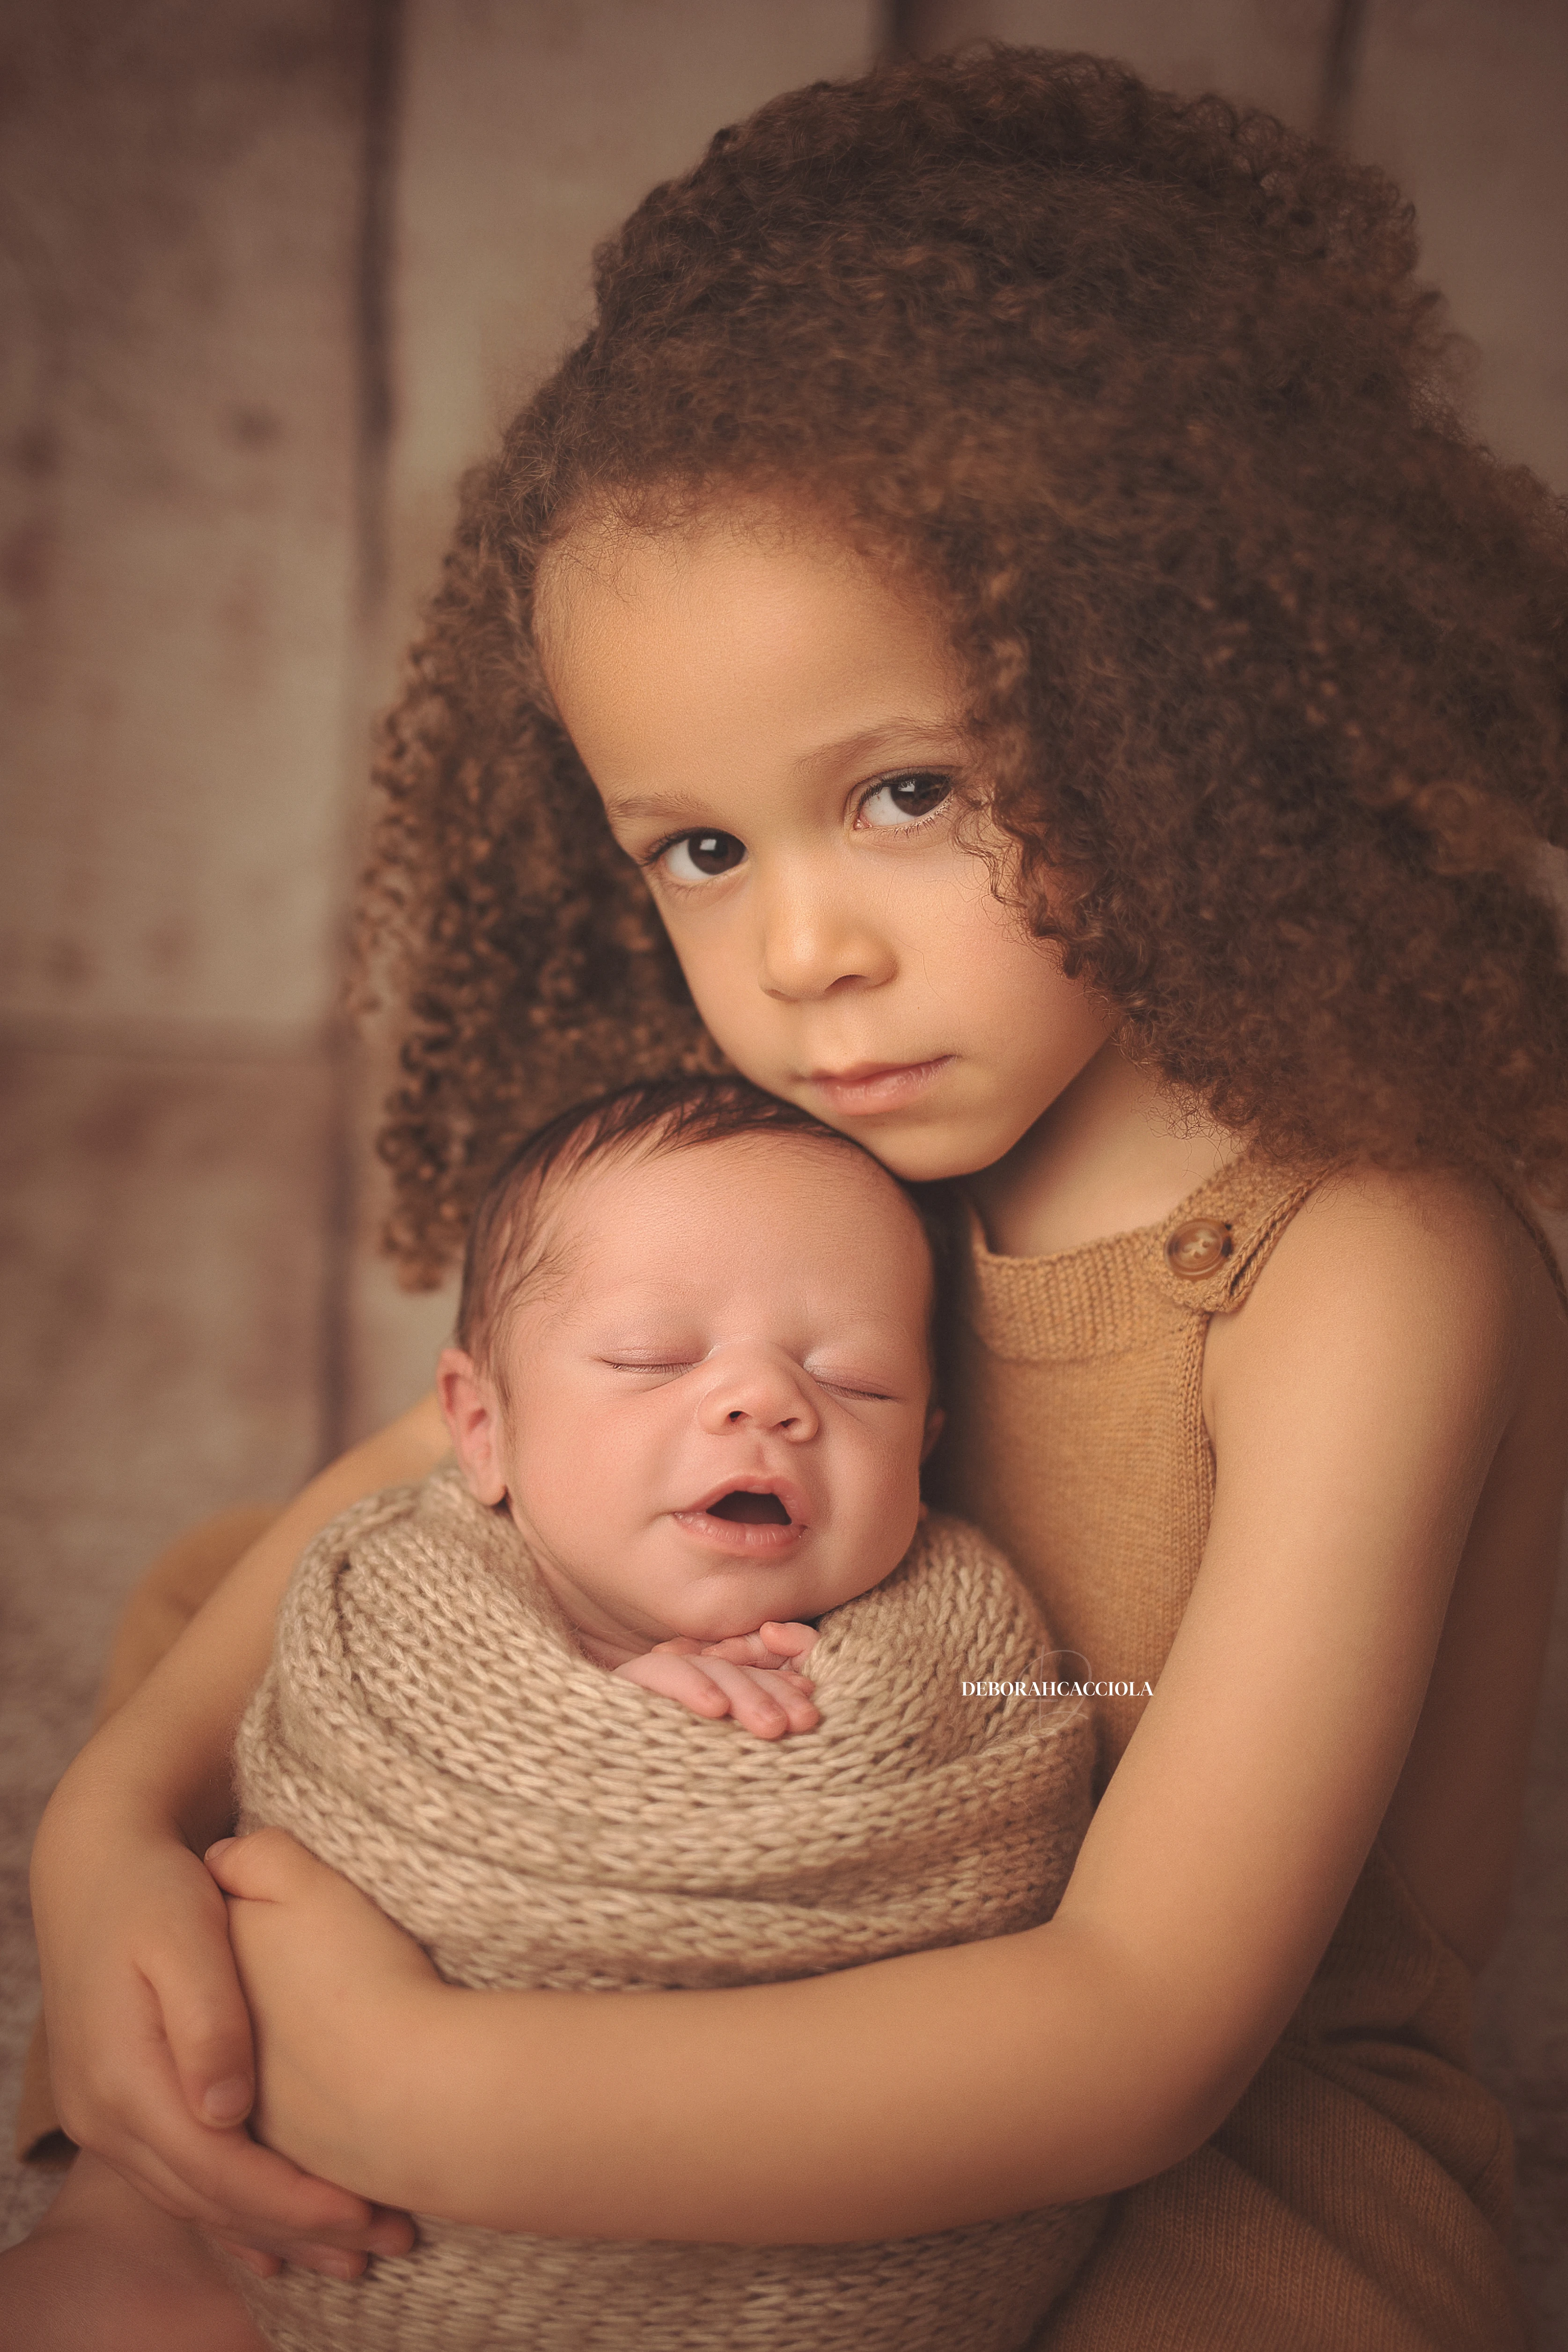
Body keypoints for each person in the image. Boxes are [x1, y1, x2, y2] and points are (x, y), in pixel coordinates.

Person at [7, 43, 1567, 2352]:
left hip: (1188, 2139)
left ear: (1176, 699)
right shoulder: (850, 1148)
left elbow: (1148, 2021)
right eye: (704, 850)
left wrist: (439, 2086)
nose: (801, 952)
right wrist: (104, 1831)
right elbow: (432, 1469)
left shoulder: (1364, 1262)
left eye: (913, 787)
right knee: (124, 2272)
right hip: (742, 1957)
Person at [227, 1072, 1102, 2351]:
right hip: (339, 2239)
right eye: (651, 1358)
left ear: (926, 1447)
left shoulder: (959, 1669)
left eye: (853, 1383)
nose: (764, 1402)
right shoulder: (400, 1615)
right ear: (481, 1429)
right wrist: (600, 1728)